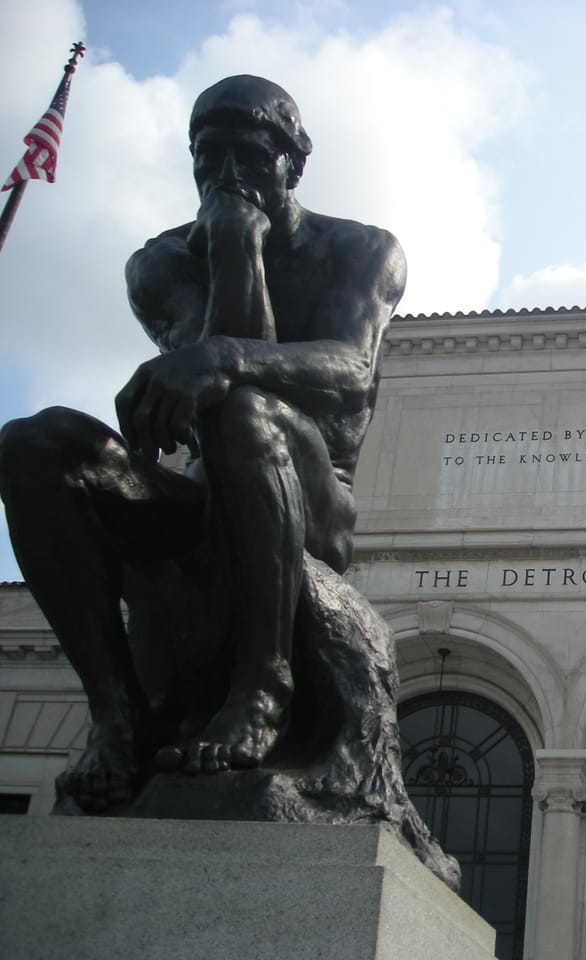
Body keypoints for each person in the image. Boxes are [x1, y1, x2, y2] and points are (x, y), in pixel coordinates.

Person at [0, 76, 406, 811]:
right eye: (206, 158)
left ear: (295, 158)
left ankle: (264, 683)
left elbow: (348, 374)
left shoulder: (362, 250)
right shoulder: (159, 264)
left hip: (311, 505)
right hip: (201, 495)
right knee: (34, 443)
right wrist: (228, 247)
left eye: (249, 156)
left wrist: (222, 349)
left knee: (244, 408)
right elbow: (211, 383)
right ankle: (117, 711)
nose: (226, 177)